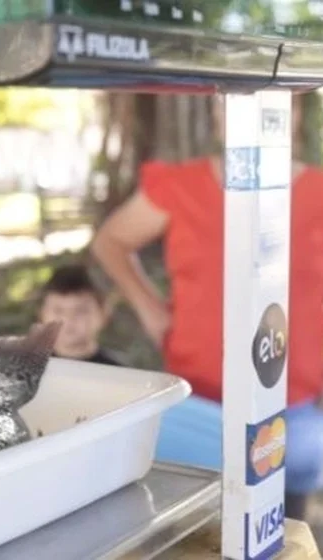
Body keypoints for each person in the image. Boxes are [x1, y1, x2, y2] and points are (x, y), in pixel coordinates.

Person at [90, 92, 323, 519]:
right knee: (201, 528)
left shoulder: (319, 192)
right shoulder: (181, 186)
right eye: (230, 107)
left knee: (284, 532)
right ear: (218, 118)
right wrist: (147, 306)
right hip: (199, 398)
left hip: (294, 402)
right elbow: (112, 242)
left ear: (293, 116)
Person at [34, 264, 122, 366]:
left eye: (80, 311)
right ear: (41, 314)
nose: (68, 319)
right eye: (58, 310)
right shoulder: (21, 372)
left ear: (104, 314)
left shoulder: (120, 375)